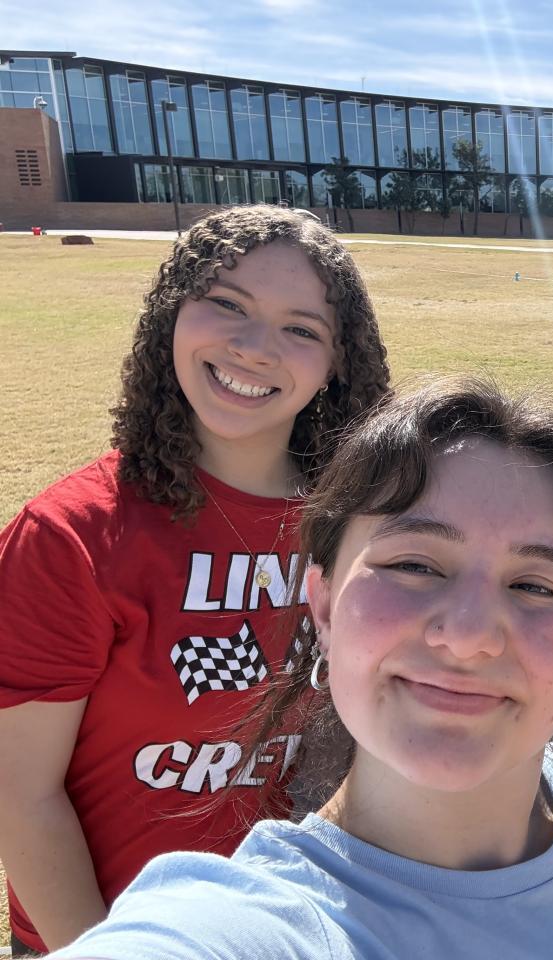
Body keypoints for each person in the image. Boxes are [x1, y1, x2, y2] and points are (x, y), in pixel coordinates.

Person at [47, 379, 553, 960]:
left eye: (536, 585)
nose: (468, 637)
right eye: (414, 565)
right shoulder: (235, 930)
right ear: (323, 605)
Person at [0, 205, 392, 955]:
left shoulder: (356, 525)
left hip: (280, 927)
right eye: (228, 305)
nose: (254, 348)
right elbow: (21, 794)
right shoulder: (71, 535)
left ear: (337, 362)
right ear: (172, 314)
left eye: (301, 329)